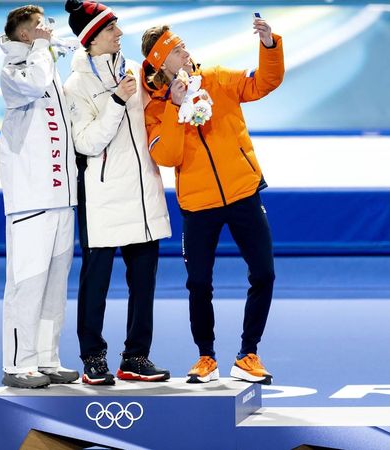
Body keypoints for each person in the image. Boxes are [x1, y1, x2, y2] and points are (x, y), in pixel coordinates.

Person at [140, 16, 284, 384]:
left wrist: (269, 45)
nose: (185, 51)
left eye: (183, 44)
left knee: (264, 273)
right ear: (161, 64)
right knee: (199, 283)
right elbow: (167, 156)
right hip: (198, 205)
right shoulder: (155, 108)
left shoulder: (218, 79)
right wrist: (174, 107)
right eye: (175, 49)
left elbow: (265, 82)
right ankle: (206, 357)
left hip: (242, 192)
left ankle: (248, 353)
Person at [63, 0, 172, 385]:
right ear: (91, 38)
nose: (120, 33)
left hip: (143, 197)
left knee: (144, 285)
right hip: (103, 199)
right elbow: (87, 143)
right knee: (96, 285)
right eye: (111, 29)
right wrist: (115, 102)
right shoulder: (75, 86)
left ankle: (136, 357)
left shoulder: (133, 71)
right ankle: (93, 357)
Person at [0, 4, 79, 388]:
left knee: (54, 286)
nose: (48, 29)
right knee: (27, 283)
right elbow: (32, 83)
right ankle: (18, 363)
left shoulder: (46, 65)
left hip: (62, 197)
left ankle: (47, 358)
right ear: (26, 35)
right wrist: (45, 50)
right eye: (40, 26)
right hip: (30, 198)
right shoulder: (15, 71)